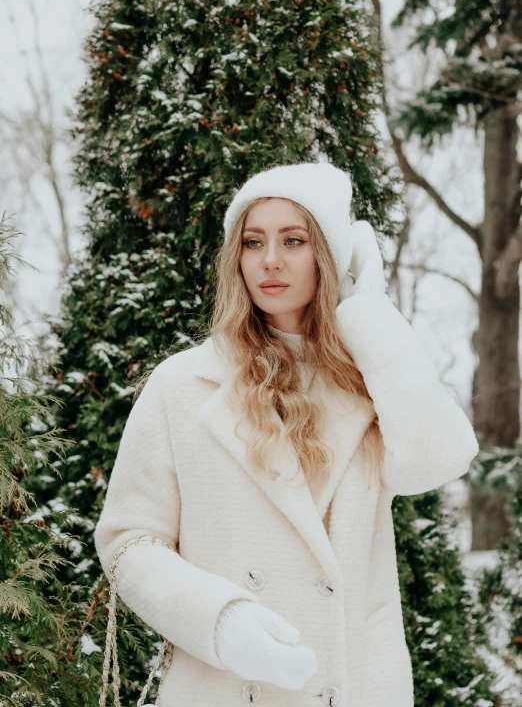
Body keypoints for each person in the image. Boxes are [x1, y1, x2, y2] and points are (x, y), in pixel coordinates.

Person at [94, 161, 479, 707]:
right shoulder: (184, 384)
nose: (270, 261)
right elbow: (128, 540)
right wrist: (221, 622)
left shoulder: (368, 382)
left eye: (293, 240)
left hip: (356, 685)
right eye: (253, 242)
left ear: (328, 255)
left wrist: (371, 313)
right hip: (225, 686)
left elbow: (437, 460)